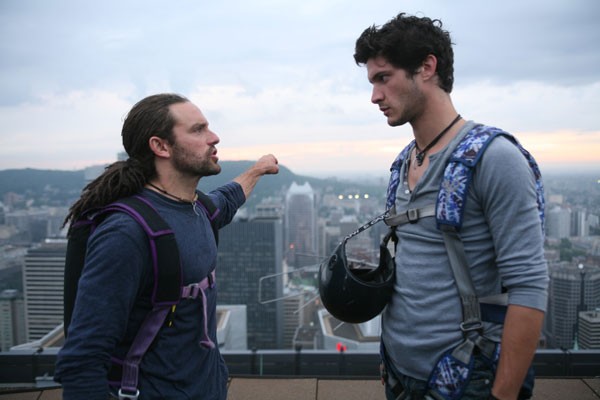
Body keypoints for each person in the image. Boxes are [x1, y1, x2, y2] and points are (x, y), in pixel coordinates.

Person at [353, 13, 548, 400]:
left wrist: (503, 394)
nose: (374, 96)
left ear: (427, 67)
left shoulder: (494, 158)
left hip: (465, 376)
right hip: (399, 372)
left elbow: (529, 285)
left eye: (383, 78)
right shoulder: (404, 161)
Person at [54, 93, 279, 399]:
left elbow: (228, 198)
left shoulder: (198, 208)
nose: (214, 137)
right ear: (160, 146)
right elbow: (82, 361)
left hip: (205, 387)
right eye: (198, 130)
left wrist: (258, 169)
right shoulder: (127, 234)